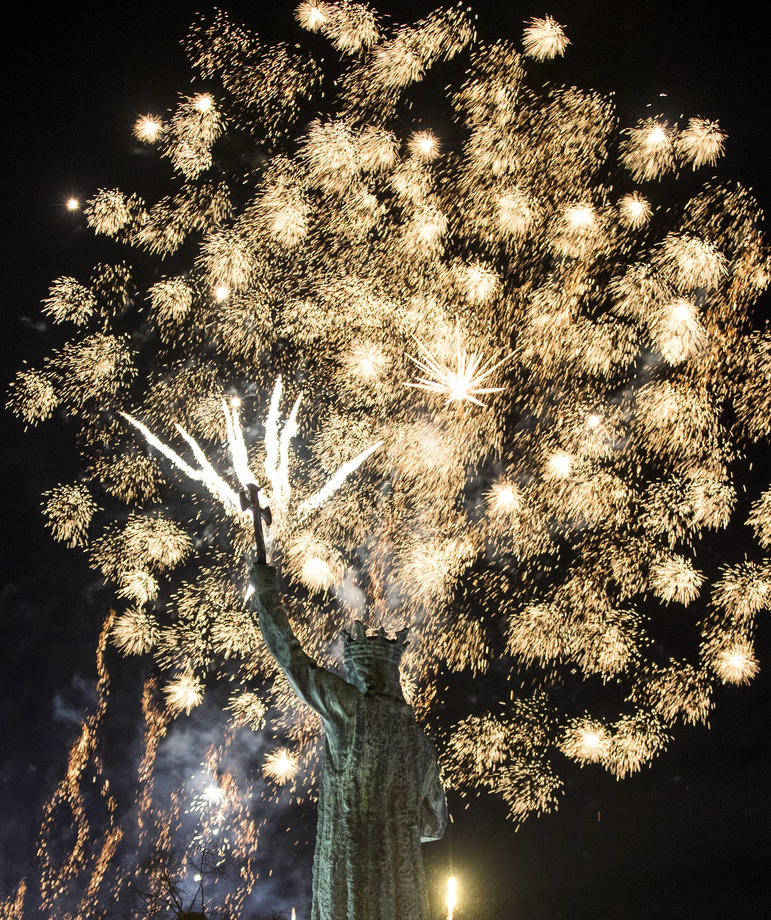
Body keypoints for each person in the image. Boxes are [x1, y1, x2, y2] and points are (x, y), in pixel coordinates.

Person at [249, 561, 447, 920]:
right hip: (401, 898)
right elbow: (434, 826)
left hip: (350, 879)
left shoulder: (351, 708)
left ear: (358, 673)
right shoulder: (418, 742)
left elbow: (293, 660)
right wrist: (393, 828)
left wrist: (265, 593)